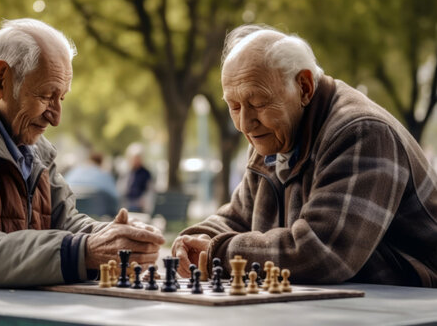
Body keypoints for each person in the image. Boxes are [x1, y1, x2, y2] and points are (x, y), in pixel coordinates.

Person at [0, 18, 164, 287]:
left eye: (62, 98)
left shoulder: (32, 144)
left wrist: (118, 238)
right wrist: (84, 251)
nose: (57, 117)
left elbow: (66, 224)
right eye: (47, 95)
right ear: (0, 80)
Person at [172, 24, 437, 288]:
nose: (245, 123)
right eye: (234, 106)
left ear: (305, 87)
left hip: (414, 303)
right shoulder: (273, 133)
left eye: (259, 103)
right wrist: (193, 240)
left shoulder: (361, 132)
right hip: (356, 300)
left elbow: (322, 252)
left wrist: (216, 252)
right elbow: (238, 217)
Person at [65, 151, 119, 217]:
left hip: (70, 216)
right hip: (98, 217)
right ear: (101, 162)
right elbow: (115, 198)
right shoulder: (104, 175)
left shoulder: (73, 172)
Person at [118, 143, 154, 214]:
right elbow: (120, 188)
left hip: (139, 203)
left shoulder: (146, 173)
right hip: (126, 202)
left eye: (138, 158)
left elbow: (149, 190)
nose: (136, 161)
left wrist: (144, 201)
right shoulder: (125, 172)